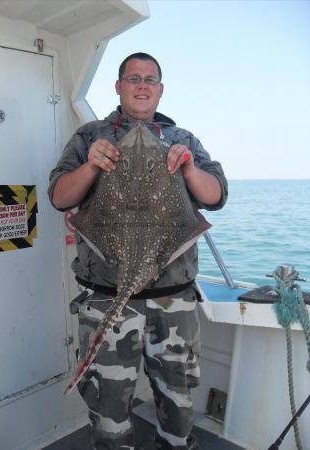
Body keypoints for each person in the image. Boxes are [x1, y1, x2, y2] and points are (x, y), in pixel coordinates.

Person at [48, 52, 227, 450]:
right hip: (107, 295)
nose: (142, 85)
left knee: (177, 398)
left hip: (172, 300)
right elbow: (60, 197)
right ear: (119, 86)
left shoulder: (182, 139)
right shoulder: (89, 136)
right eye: (133, 78)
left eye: (150, 79)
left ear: (160, 90)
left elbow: (215, 196)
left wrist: (187, 170)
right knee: (109, 403)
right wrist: (92, 165)